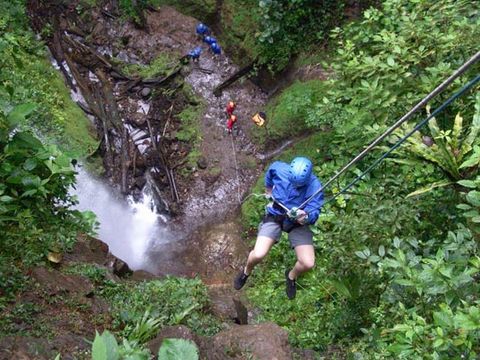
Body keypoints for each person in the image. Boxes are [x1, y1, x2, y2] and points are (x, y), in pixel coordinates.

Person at [233, 157, 324, 299]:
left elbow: (314, 212)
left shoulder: (314, 186)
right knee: (258, 254)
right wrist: (268, 189)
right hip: (275, 216)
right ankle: (246, 271)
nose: (294, 187)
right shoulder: (279, 169)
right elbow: (270, 173)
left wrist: (305, 217)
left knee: (308, 263)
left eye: (298, 186)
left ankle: (291, 276)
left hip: (296, 223)